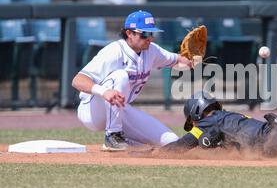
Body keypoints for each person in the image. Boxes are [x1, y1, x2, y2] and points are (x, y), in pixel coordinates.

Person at [72, 10, 193, 151]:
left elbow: (177, 61)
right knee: (120, 76)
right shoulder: (114, 51)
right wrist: (104, 91)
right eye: (145, 34)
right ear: (129, 33)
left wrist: (192, 59)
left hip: (119, 110)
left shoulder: (152, 50)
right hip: (93, 110)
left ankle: (127, 141)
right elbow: (77, 80)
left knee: (171, 141)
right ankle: (112, 136)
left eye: (151, 33)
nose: (149, 38)